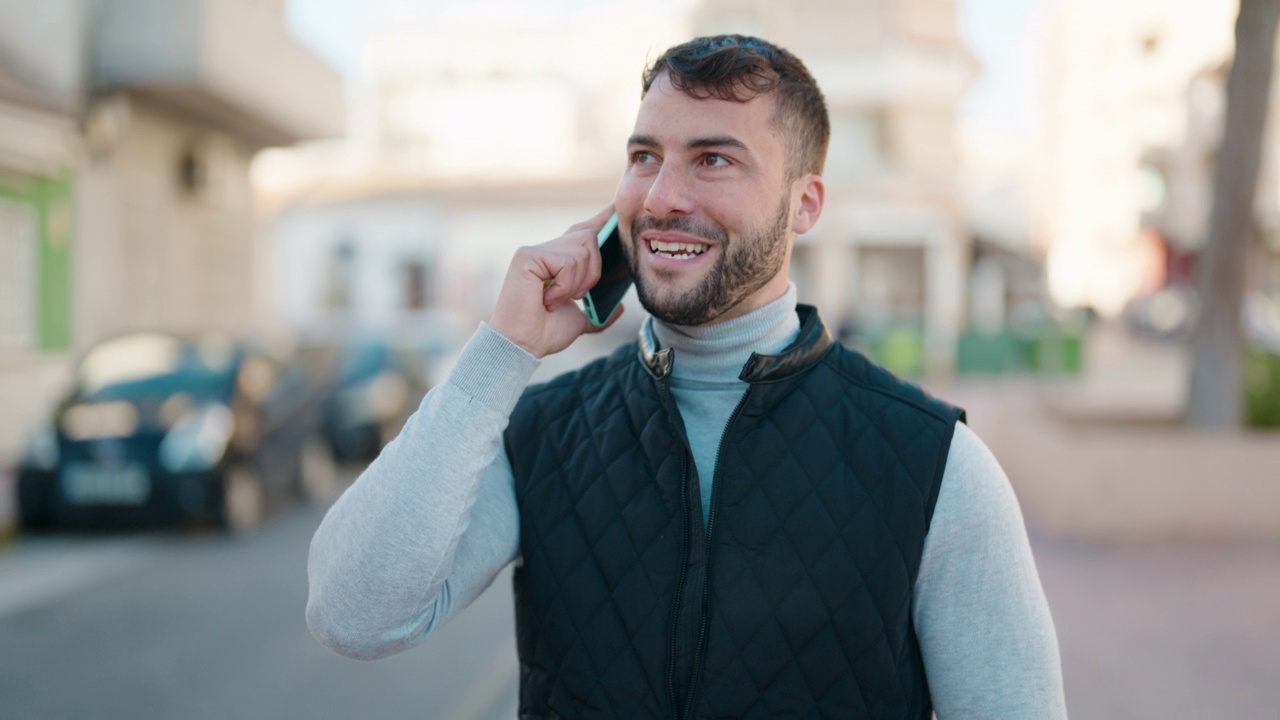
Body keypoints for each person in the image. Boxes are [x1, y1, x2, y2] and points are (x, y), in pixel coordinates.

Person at [307, 35, 1067, 719]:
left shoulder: (934, 465)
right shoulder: (541, 432)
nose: (663, 197)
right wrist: (501, 352)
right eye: (645, 157)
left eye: (713, 160)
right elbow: (352, 614)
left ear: (803, 205)